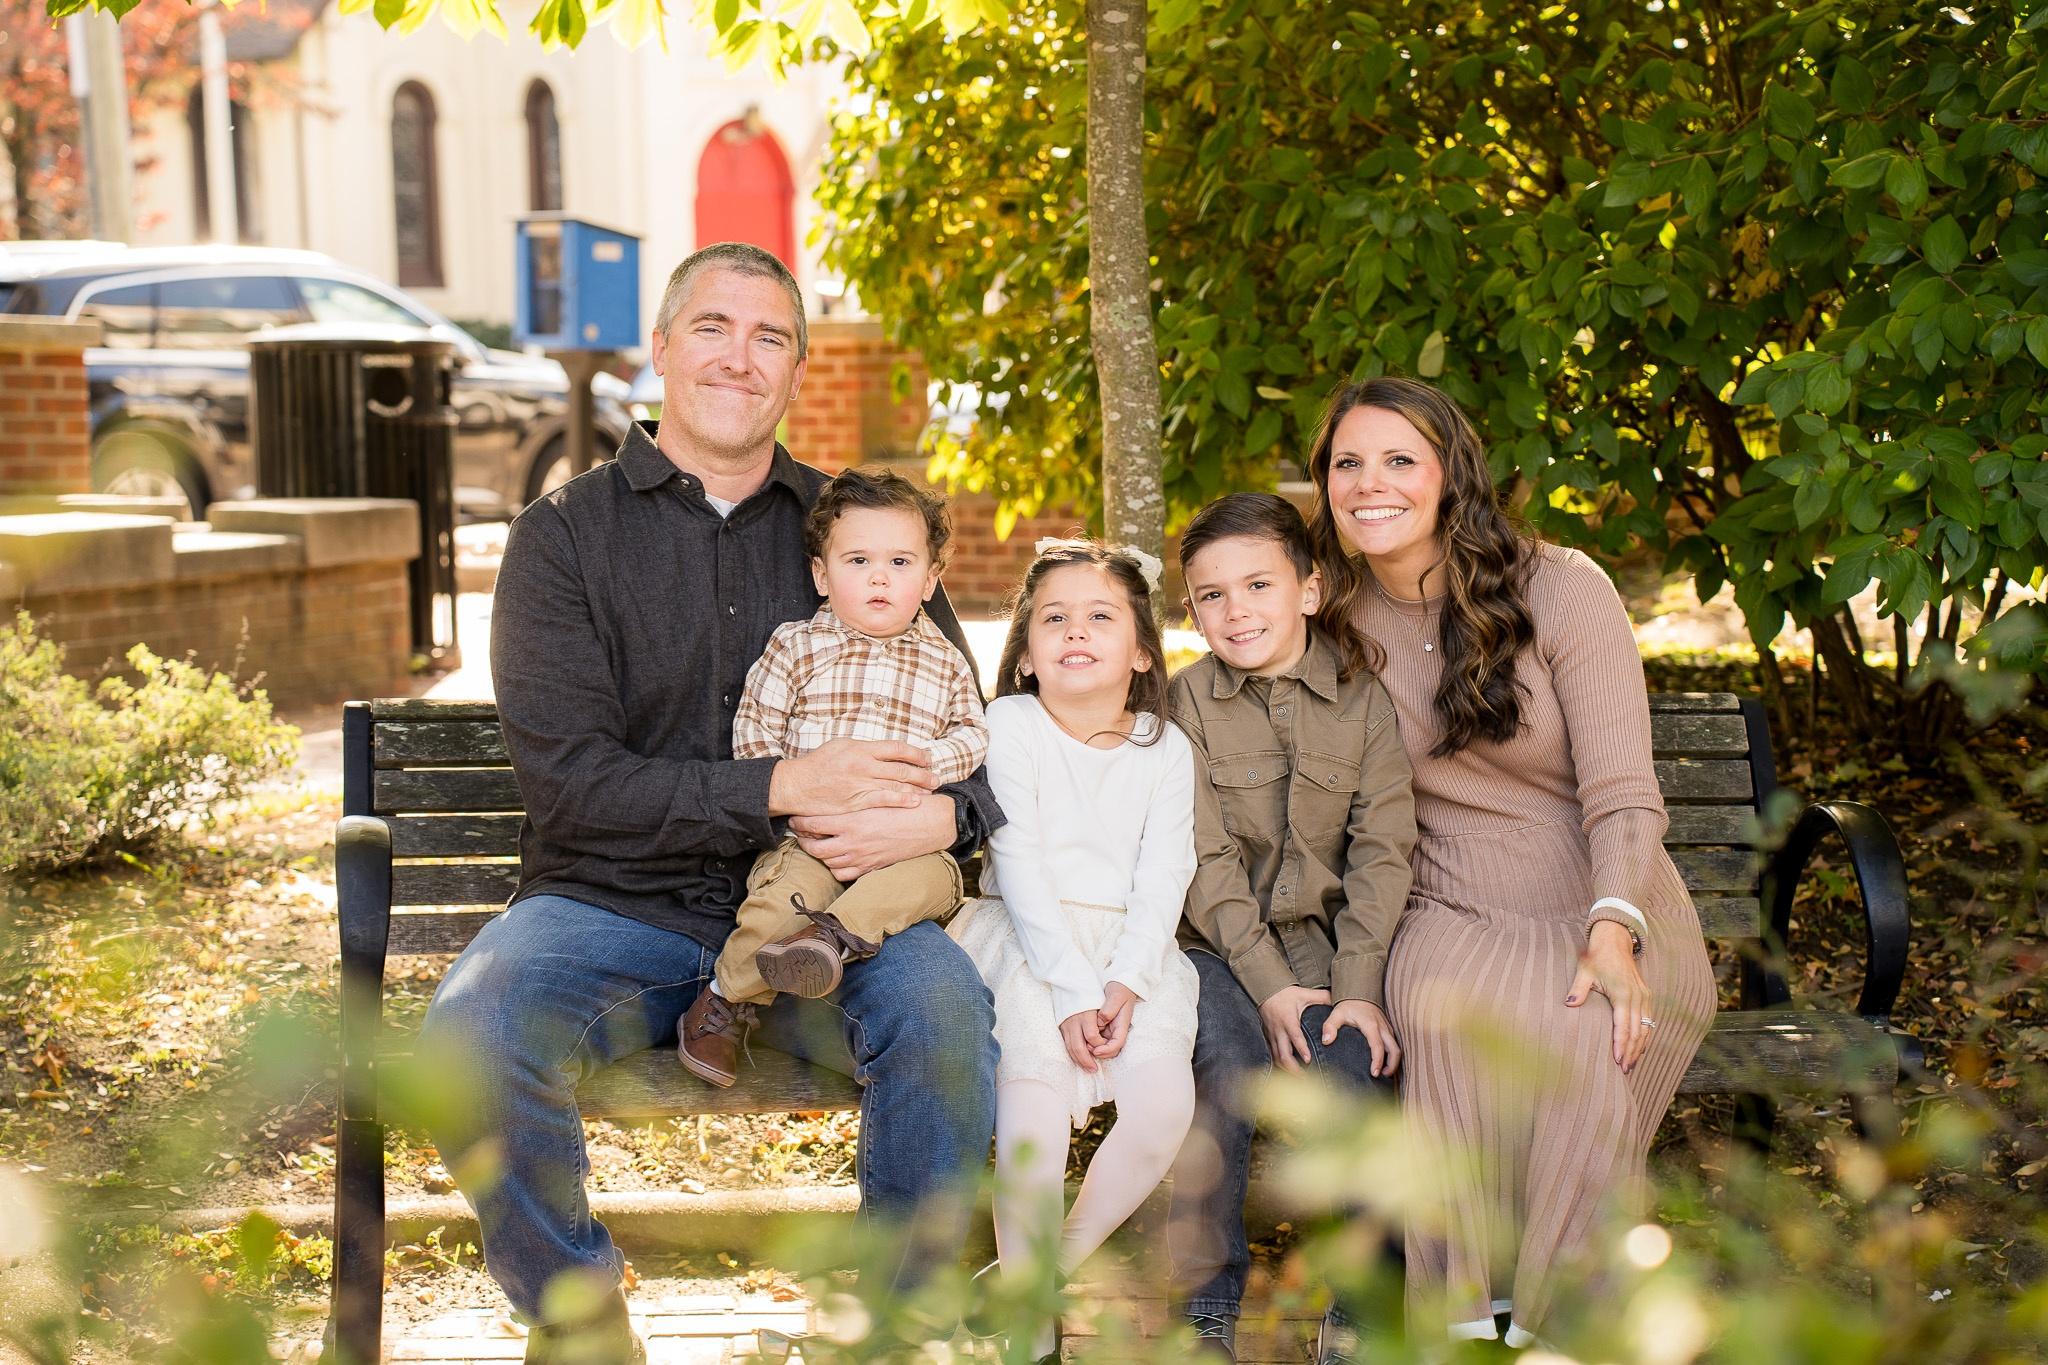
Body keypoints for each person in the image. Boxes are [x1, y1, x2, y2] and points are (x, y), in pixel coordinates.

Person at [415, 242, 1003, 1364]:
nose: (741, 358)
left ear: (794, 369)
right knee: (477, 1031)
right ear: (662, 349)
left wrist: (945, 819)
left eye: (770, 337)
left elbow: (965, 737)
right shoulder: (563, 539)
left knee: (942, 1019)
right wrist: (782, 785)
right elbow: (570, 784)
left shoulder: (860, 532)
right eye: (714, 329)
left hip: (835, 913)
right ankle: (582, 1330)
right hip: (608, 907)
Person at [1303, 375, 1715, 1347]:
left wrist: (1612, 928)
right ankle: (1466, 1316)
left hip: (1600, 885)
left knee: (1581, 1027)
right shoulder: (1326, 618)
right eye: (1345, 463)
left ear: (1450, 476)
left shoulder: (1562, 588)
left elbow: (1621, 792)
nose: (1370, 483)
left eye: (1398, 460)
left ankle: (1565, 1321)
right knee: (1446, 1019)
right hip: (1442, 892)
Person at [1163, 493, 1417, 1365]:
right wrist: (1268, 987)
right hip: (1216, 951)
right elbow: (1202, 862)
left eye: (1258, 585)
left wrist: (1357, 991)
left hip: (1331, 951)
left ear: (1309, 589)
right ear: (1190, 608)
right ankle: (1205, 1310)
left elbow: (1384, 854)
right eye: (1211, 595)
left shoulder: (1364, 700)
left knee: (1362, 1072)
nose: (1236, 611)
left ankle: (1359, 1311)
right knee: (1222, 1070)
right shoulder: (1185, 702)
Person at [947, 538, 1201, 1363]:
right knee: (1034, 1114)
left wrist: (1125, 980)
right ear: (1024, 656)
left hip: (1135, 949)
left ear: (1141, 653)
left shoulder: (1165, 746)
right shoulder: (1011, 724)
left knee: (1163, 1106)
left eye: (1101, 616)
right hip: (1029, 942)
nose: (1075, 631)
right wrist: (1070, 991)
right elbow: (1017, 863)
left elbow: (1168, 869)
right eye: (1053, 618)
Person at [676, 467, 989, 1086]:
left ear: (930, 581)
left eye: (901, 563)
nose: (880, 576)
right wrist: (791, 801)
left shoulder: (946, 662)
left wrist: (927, 767)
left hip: (903, 846)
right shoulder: (795, 647)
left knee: (935, 879)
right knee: (778, 905)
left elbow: (976, 736)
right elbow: (755, 731)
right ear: (822, 574)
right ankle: (724, 1002)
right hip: (811, 840)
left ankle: (828, 946)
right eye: (858, 560)